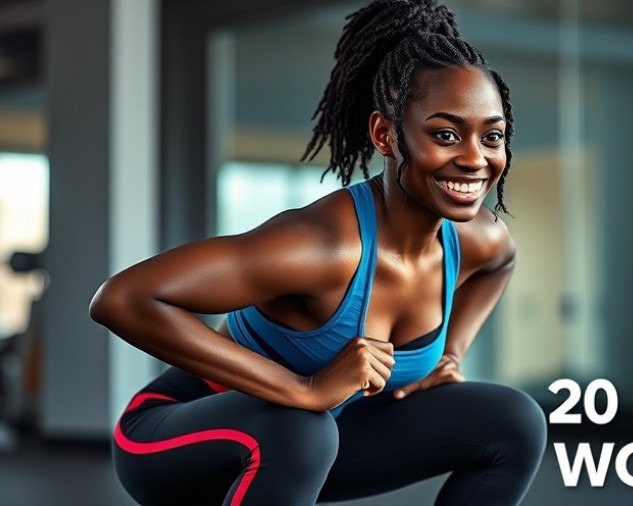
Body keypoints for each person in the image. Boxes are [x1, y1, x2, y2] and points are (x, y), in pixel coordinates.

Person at [90, 0, 547, 504]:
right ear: (385, 134)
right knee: (301, 429)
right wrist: (302, 388)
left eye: (493, 136)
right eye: (445, 134)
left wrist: (452, 354)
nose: (474, 159)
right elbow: (123, 298)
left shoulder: (478, 239)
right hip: (173, 438)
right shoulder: (323, 247)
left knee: (514, 421)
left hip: (318, 444)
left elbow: (500, 265)